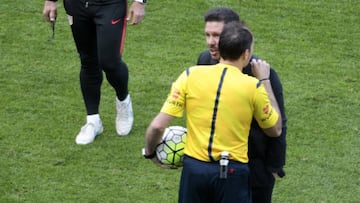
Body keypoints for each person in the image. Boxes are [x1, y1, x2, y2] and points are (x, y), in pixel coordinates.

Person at [143, 22, 282, 203]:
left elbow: (157, 126)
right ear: (246, 54)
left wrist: (151, 153)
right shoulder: (253, 86)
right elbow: (275, 129)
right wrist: (264, 79)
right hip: (232, 172)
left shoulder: (189, 75)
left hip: (194, 170)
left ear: (220, 48)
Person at [197, 8, 287, 203]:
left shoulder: (263, 74)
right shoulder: (204, 61)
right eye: (208, 35)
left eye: (217, 36)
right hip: (212, 165)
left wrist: (272, 169)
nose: (210, 42)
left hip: (252, 169)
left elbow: (280, 125)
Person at [42, 0, 148, 144]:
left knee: (109, 62)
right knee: (88, 61)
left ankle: (123, 100)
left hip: (111, 4)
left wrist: (140, 2)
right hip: (76, 5)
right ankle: (93, 121)